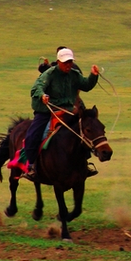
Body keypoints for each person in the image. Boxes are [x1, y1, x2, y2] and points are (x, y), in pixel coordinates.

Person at [24, 48, 100, 179]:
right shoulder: (49, 74)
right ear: (58, 61)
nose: (68, 65)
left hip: (68, 111)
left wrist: (93, 76)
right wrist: (42, 95)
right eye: (65, 62)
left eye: (70, 61)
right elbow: (37, 88)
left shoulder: (74, 74)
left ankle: (84, 164)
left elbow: (86, 85)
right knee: (33, 134)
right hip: (48, 110)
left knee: (84, 131)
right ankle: (31, 166)